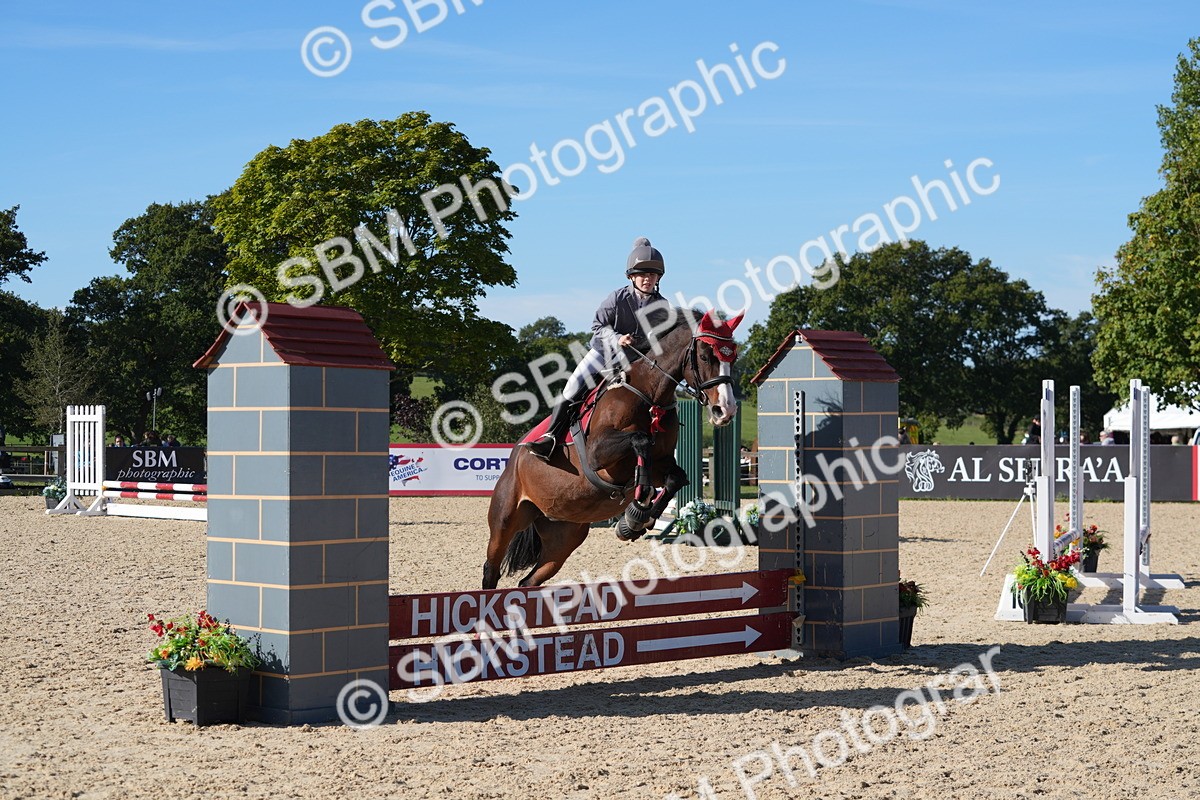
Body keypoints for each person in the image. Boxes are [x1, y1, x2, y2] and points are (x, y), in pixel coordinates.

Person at [526, 236, 668, 460]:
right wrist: (618, 338)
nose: (647, 279)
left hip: (635, 361)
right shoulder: (617, 298)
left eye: (652, 274)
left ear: (658, 277)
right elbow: (597, 326)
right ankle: (550, 438)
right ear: (631, 276)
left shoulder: (662, 306)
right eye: (642, 274)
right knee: (572, 386)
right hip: (603, 353)